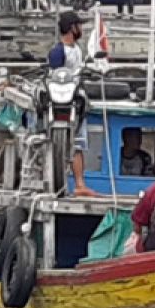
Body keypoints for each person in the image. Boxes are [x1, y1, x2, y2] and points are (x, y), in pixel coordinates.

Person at [47, 10, 98, 196]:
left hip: (76, 99)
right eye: (79, 25)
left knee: (78, 143)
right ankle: (71, 183)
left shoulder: (76, 49)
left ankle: (79, 184)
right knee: (65, 142)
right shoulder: (57, 52)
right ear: (71, 28)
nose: (81, 29)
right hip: (62, 103)